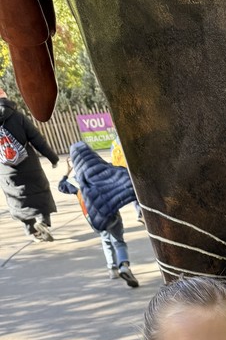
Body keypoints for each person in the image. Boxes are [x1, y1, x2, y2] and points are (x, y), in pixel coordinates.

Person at [58, 140, 140, 286]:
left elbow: (61, 187)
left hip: (93, 218)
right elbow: (123, 173)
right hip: (112, 213)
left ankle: (112, 269)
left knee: (106, 240)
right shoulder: (106, 171)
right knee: (119, 241)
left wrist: (67, 171)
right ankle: (123, 265)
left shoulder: (76, 181)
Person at [0, 88, 58, 240]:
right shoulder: (18, 117)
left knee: (18, 199)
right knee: (40, 193)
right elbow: (37, 139)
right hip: (29, 165)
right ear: (4, 96)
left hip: (6, 169)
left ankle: (32, 231)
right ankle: (43, 222)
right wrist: (52, 158)